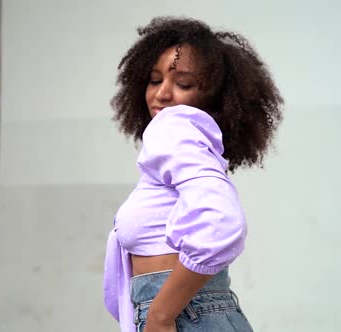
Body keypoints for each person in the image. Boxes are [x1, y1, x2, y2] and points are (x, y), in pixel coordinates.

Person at [104, 16, 283, 332]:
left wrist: (161, 314)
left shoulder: (172, 127)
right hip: (198, 313)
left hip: (185, 315)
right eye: (154, 80)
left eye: (183, 84)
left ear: (212, 97)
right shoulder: (190, 140)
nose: (162, 94)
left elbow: (221, 221)